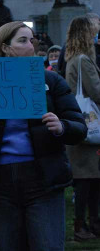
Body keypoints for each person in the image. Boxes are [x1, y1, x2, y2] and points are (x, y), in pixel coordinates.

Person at [0, 21, 87, 251]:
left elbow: (79, 127)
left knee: (47, 245)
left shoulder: (51, 81)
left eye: (31, 40)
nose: (31, 46)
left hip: (43, 180)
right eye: (22, 40)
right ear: (4, 47)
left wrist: (61, 126)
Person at [64, 16, 100, 240]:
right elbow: (96, 92)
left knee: (86, 180)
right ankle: (86, 225)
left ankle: (86, 224)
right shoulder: (83, 60)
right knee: (90, 180)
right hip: (90, 125)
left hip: (81, 124)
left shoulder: (73, 58)